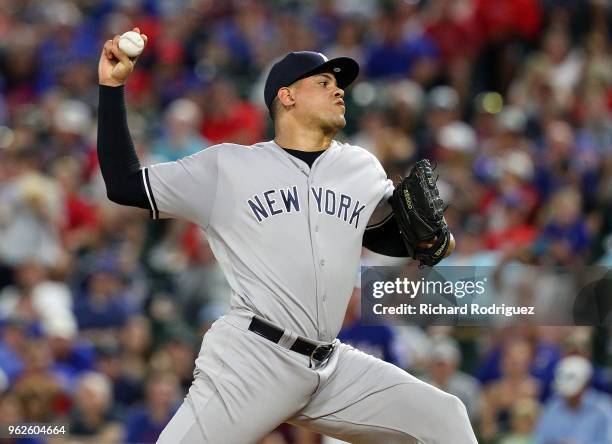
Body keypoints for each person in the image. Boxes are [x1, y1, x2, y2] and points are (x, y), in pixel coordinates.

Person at [97, 28, 474, 443]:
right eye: (324, 82)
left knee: (445, 418)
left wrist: (435, 243)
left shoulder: (361, 167)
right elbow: (124, 183)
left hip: (331, 366)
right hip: (254, 360)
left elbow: (391, 235)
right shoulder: (229, 168)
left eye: (339, 85)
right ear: (287, 96)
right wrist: (112, 88)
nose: (339, 92)